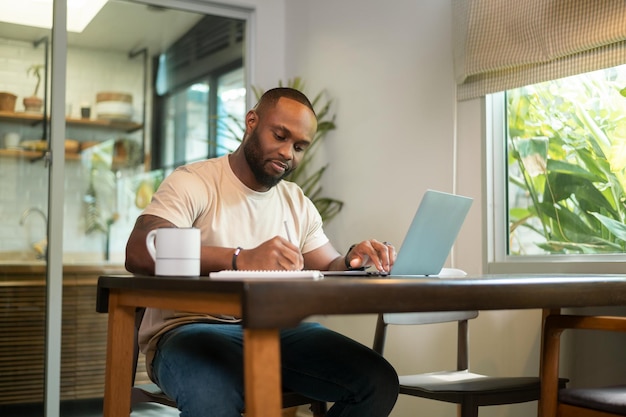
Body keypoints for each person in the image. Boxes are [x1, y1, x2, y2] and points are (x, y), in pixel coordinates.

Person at [125, 87, 399, 417]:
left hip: (276, 330)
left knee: (376, 381)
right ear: (251, 122)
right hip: (188, 330)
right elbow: (140, 250)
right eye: (280, 136)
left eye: (299, 147)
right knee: (214, 396)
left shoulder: (297, 202)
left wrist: (357, 258)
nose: (288, 153)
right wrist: (240, 258)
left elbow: (328, 263)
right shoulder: (194, 182)